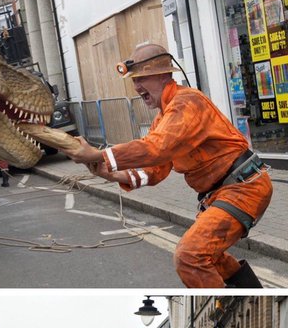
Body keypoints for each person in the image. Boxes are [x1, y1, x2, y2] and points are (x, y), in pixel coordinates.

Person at [65, 41, 272, 287]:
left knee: (190, 256)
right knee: (210, 257)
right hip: (227, 192)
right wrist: (112, 175)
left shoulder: (187, 102)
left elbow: (157, 148)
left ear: (164, 75)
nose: (137, 86)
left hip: (242, 189)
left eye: (142, 78)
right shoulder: (165, 117)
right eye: (134, 80)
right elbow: (154, 170)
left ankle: (225, 314)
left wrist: (99, 155)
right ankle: (251, 297)